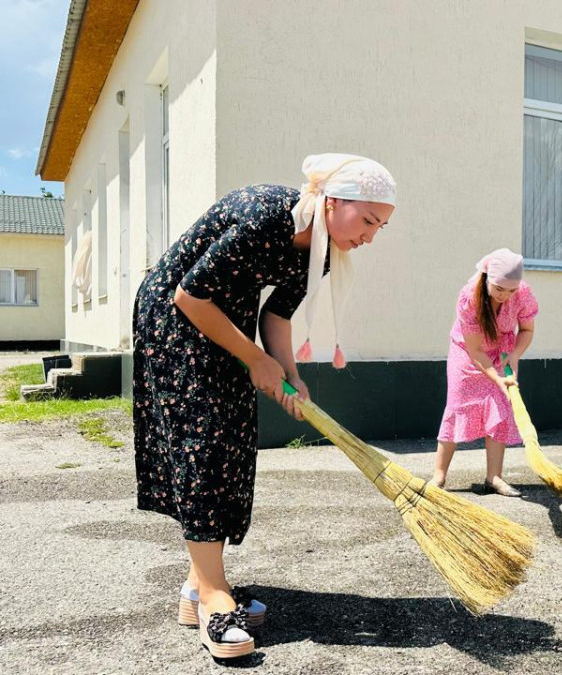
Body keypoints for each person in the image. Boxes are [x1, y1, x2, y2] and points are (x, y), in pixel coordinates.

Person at [132, 153, 396, 660]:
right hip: (173, 318)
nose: (370, 237)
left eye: (379, 227)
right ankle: (213, 596)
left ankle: (199, 586)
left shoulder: (320, 246)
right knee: (203, 445)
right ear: (333, 201)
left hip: (226, 321)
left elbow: (276, 313)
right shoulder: (267, 217)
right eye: (367, 221)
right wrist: (255, 359)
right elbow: (189, 297)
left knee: (230, 444)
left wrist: (290, 375)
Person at [431, 249, 539, 497]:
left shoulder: (522, 294)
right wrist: (496, 378)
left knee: (500, 411)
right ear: (487, 278)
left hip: (501, 349)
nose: (505, 296)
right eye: (499, 288)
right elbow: (475, 349)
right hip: (467, 352)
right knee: (457, 406)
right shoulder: (469, 296)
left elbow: (527, 330)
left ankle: (494, 478)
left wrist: (513, 356)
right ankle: (439, 475)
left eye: (511, 290)